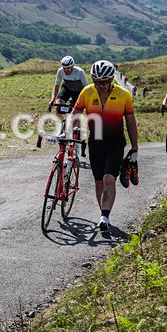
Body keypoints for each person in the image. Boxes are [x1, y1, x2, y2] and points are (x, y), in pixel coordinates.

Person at [71, 60, 138, 232]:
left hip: (115, 142)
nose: (100, 85)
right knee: (99, 181)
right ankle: (103, 213)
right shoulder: (87, 92)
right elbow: (76, 113)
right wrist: (69, 131)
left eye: (104, 82)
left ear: (111, 80)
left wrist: (135, 148)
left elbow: (131, 122)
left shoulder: (124, 95)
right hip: (95, 141)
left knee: (109, 178)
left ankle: (104, 217)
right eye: (96, 81)